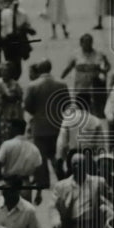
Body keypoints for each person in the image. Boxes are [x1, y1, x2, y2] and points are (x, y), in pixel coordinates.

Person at [24, 60, 71, 203]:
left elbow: (28, 106)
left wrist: (38, 113)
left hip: (40, 127)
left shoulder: (32, 86)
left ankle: (43, 183)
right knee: (57, 155)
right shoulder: (61, 84)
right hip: (57, 125)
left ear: (38, 68)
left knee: (41, 157)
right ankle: (61, 179)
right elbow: (67, 103)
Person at [54, 91, 107, 175]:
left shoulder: (68, 120)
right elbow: (100, 144)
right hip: (89, 156)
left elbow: (62, 142)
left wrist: (59, 158)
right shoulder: (95, 121)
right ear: (90, 103)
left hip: (72, 156)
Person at [0, 118, 42, 196]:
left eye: (9, 128)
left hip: (9, 184)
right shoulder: (33, 148)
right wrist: (39, 193)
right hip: (25, 185)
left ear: (16, 129)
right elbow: (39, 172)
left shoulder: (7, 145)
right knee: (25, 207)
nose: (7, 131)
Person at [60, 33, 110, 104]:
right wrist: (60, 79)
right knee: (81, 109)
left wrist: (104, 71)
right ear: (81, 43)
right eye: (86, 43)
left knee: (96, 111)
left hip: (95, 88)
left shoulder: (99, 54)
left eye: (90, 42)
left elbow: (107, 66)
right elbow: (68, 68)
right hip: (81, 88)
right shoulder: (75, 55)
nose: (88, 45)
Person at [0, 62, 24, 141]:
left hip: (12, 115)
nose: (4, 73)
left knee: (12, 137)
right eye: (2, 71)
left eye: (6, 71)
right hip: (0, 115)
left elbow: (20, 98)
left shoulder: (15, 84)